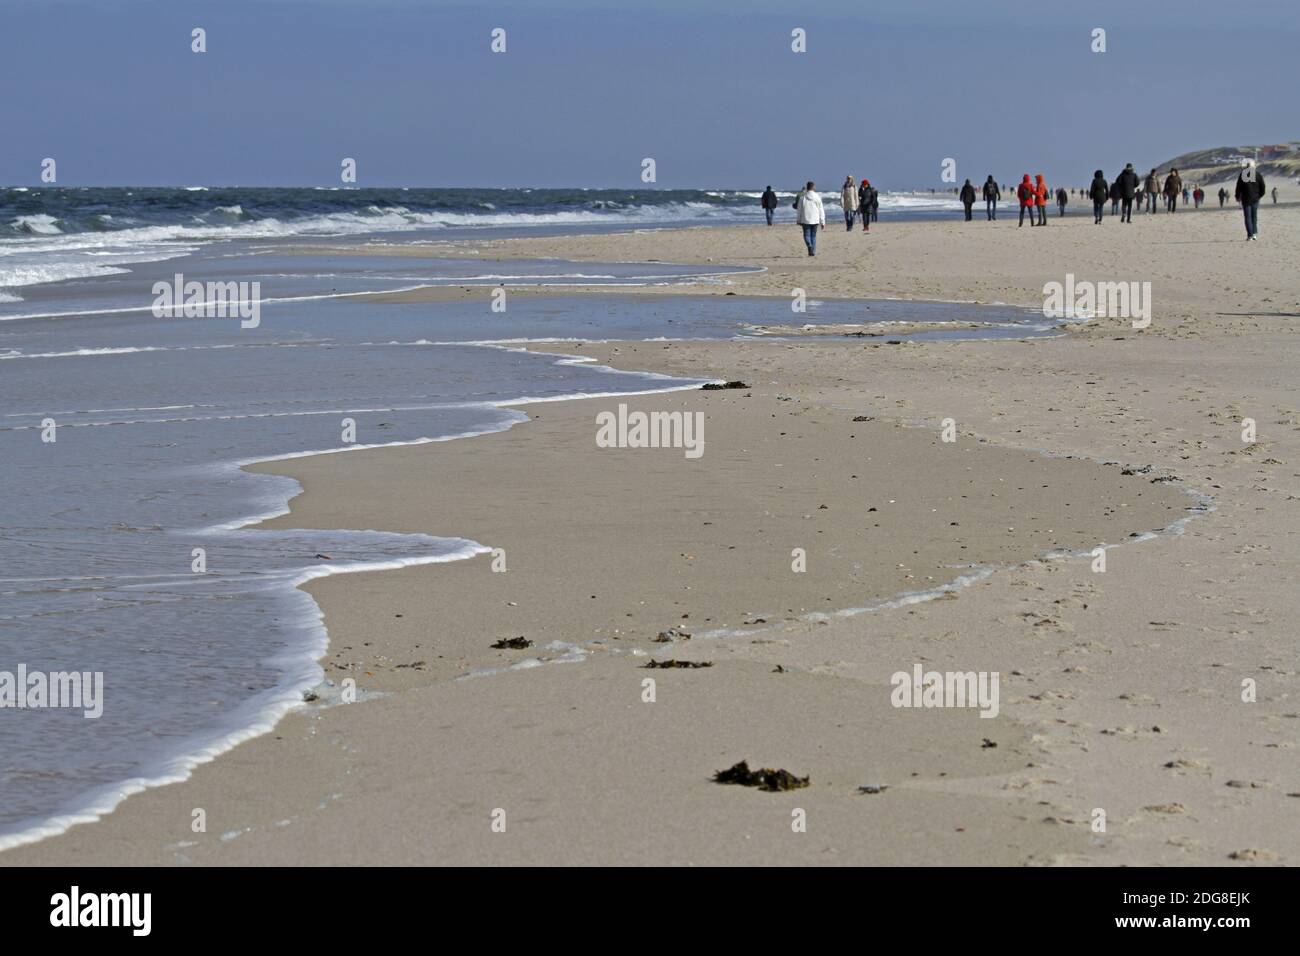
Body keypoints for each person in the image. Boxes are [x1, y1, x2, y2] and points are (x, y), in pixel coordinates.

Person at [1235, 159, 1265, 241]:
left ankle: (1250, 235)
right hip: (1255, 199)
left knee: (1247, 217)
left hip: (1246, 199)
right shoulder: (1257, 174)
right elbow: (1263, 187)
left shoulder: (1243, 174)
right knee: (1254, 216)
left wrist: (1237, 196)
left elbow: (1238, 187)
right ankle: (1254, 234)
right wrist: (1259, 196)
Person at [795, 180, 825, 255]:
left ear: (807, 187)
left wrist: (798, 219)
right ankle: (813, 252)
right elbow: (821, 209)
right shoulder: (817, 197)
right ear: (813, 187)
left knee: (806, 235)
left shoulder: (802, 198)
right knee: (813, 236)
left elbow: (799, 210)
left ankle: (809, 246)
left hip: (805, 219)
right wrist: (822, 221)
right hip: (815, 219)